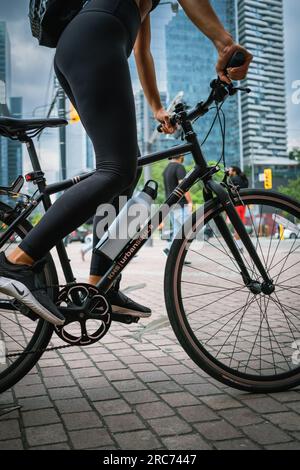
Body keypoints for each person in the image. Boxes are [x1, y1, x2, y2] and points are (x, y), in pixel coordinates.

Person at [0, 0, 253, 326]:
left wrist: (157, 109)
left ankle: (100, 283)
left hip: (87, 42)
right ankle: (17, 261)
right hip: (97, 38)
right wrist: (225, 43)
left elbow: (142, 51)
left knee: (125, 170)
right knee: (116, 169)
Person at [163, 155, 193, 256]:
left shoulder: (166, 169)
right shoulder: (179, 167)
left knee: (178, 230)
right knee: (188, 229)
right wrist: (190, 202)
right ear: (181, 156)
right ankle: (171, 251)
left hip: (170, 203)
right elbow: (183, 186)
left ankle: (172, 252)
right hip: (180, 204)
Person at [228, 166, 249, 252]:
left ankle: (239, 246)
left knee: (236, 225)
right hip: (243, 204)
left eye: (229, 169)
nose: (228, 171)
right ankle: (239, 245)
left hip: (236, 204)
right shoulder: (243, 179)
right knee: (240, 225)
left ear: (234, 171)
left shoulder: (232, 179)